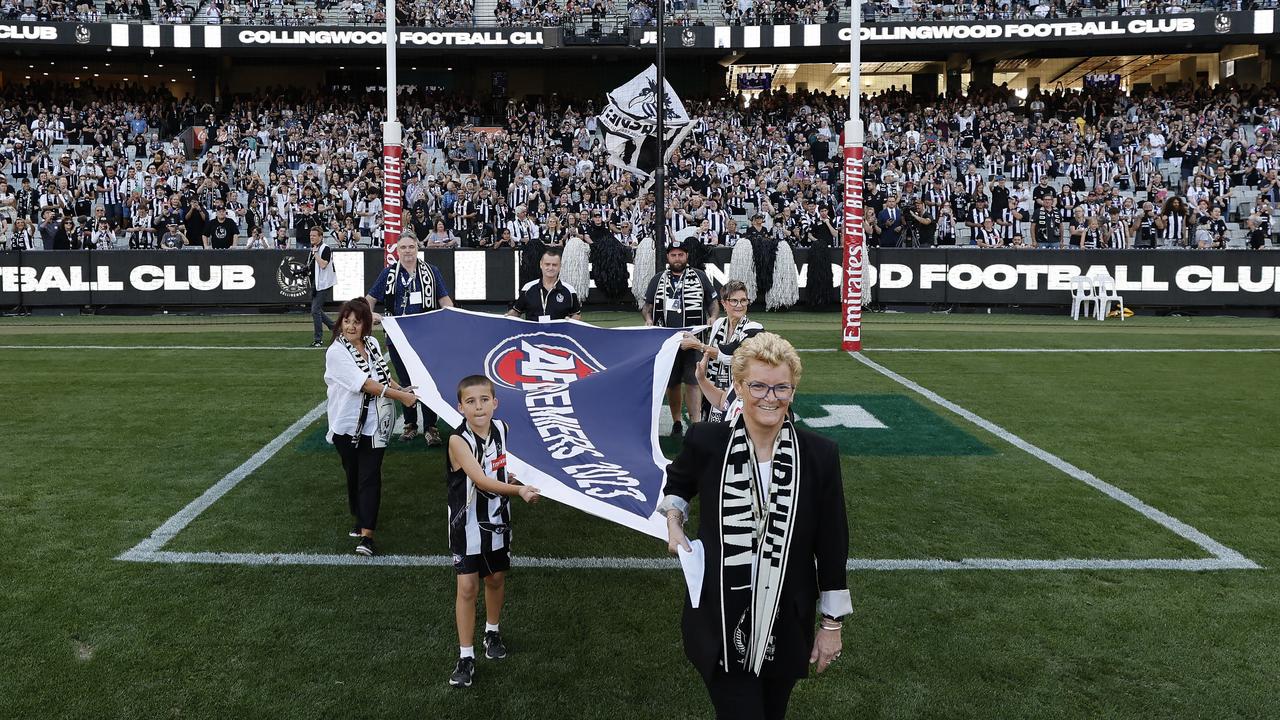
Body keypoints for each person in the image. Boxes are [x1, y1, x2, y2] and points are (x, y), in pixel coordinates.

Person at [659, 333, 851, 720]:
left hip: (787, 622)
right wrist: (674, 523)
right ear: (739, 386)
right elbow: (677, 485)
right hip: (718, 621)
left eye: (782, 387)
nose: (770, 397)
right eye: (758, 385)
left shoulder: (819, 455)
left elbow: (832, 544)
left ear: (793, 392)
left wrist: (831, 625)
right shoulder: (706, 441)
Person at [447, 374, 541, 689]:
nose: (478, 407)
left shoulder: (502, 429)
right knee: (467, 588)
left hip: (497, 522)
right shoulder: (457, 441)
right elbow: (481, 480)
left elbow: (498, 470)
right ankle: (465, 656)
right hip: (466, 526)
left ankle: (492, 631)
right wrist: (520, 491)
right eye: (470, 402)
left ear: (495, 403)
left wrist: (517, 480)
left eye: (484, 400)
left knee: (496, 578)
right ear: (460, 407)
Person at [324, 298, 421, 557]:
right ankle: (360, 516)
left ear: (366, 324)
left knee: (370, 476)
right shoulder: (336, 352)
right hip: (346, 425)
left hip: (375, 424)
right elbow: (366, 384)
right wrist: (401, 398)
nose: (351, 326)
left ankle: (367, 536)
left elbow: (382, 374)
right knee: (353, 474)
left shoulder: (372, 343)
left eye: (357, 322)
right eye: (347, 321)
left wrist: (402, 388)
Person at [365, 232, 454, 446]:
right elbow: (369, 299)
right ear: (397, 250)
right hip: (397, 339)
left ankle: (431, 427)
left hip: (427, 338)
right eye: (403, 247)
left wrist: (455, 318)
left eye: (411, 247)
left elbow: (444, 300)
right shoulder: (389, 274)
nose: (407, 251)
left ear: (417, 248)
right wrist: (370, 315)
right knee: (405, 381)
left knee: (428, 382)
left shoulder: (432, 272)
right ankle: (410, 424)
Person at [643, 238, 718, 438]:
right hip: (666, 342)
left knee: (694, 381)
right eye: (673, 255)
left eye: (681, 254)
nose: (677, 258)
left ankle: (695, 424)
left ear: (686, 256)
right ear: (668, 257)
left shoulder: (700, 276)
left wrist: (712, 317)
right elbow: (647, 305)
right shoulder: (658, 278)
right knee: (672, 383)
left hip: (693, 339)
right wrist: (649, 319)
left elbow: (713, 302)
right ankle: (677, 422)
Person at [680, 280, 763, 423]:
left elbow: (731, 356)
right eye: (734, 301)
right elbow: (714, 352)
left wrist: (698, 345)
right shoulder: (718, 324)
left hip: (738, 394)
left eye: (743, 300)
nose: (740, 305)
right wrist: (699, 344)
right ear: (724, 304)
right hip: (713, 390)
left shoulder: (754, 328)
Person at [506, 247, 582, 321]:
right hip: (533, 333)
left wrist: (571, 321)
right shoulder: (528, 288)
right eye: (547, 264)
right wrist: (506, 318)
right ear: (541, 265)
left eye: (554, 265)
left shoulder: (569, 290)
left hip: (558, 333)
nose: (551, 268)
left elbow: (576, 314)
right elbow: (516, 311)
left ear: (560, 267)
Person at [308, 226, 337, 347]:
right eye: (310, 235)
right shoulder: (314, 248)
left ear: (320, 237)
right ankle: (335, 328)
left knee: (315, 310)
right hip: (317, 282)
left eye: (314, 235)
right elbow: (311, 265)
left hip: (324, 283)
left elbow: (323, 264)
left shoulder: (325, 248)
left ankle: (318, 339)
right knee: (317, 310)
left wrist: (315, 254)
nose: (312, 237)